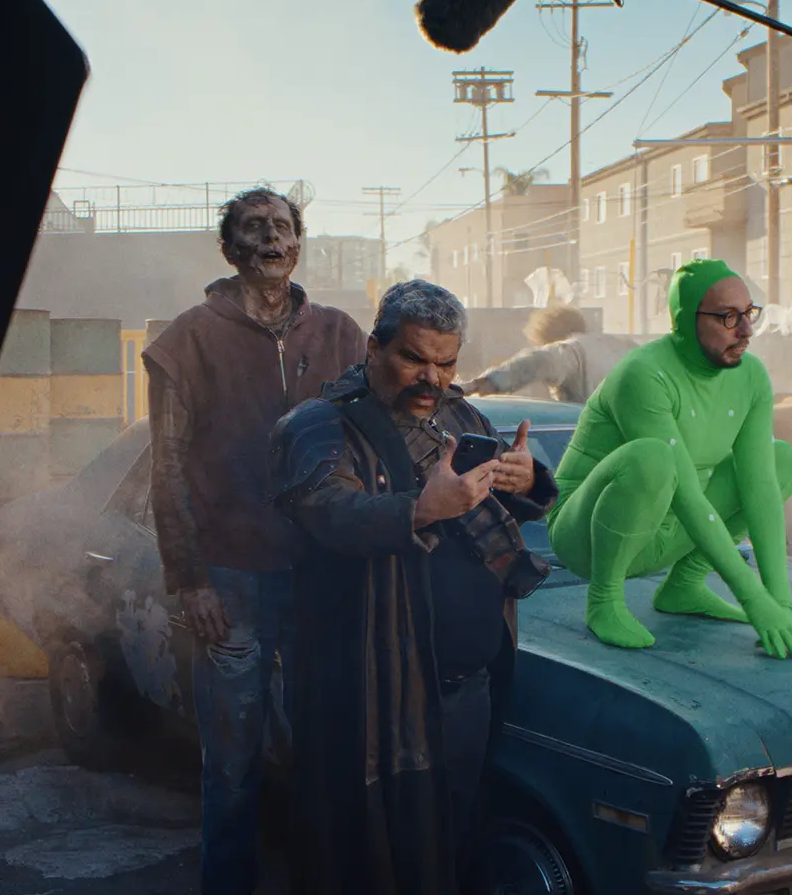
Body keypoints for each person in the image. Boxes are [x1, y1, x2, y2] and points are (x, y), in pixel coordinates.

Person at [269, 280, 556, 894]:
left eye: (446, 363)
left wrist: (526, 479)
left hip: (464, 691)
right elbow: (330, 512)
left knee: (448, 847)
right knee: (367, 856)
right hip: (373, 695)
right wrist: (419, 510)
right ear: (374, 348)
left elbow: (496, 504)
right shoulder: (321, 424)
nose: (432, 378)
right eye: (414, 358)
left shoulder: (461, 414)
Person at [140, 186, 365, 895]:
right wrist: (190, 580)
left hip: (321, 574)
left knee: (321, 753)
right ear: (230, 247)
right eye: (253, 227)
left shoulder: (340, 335)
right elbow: (168, 465)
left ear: (300, 243)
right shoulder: (186, 342)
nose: (271, 237)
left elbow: (382, 436)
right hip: (231, 576)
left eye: (283, 226)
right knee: (232, 763)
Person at [545, 259, 792, 658]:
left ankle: (685, 585)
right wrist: (752, 600)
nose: (746, 330)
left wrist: (780, 606)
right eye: (728, 317)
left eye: (749, 314)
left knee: (783, 462)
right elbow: (686, 493)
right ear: (684, 319)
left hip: (668, 531)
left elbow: (760, 485)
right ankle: (604, 599)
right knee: (652, 457)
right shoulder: (642, 374)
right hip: (586, 536)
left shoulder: (751, 377)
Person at [457, 304, 635, 403]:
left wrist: (478, 385)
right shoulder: (621, 345)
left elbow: (536, 362)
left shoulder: (570, 352)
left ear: (546, 333)